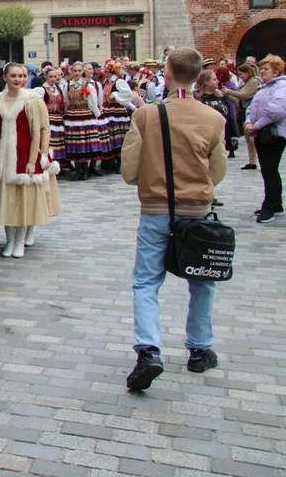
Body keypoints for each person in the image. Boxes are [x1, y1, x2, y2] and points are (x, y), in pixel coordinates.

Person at [121, 46, 227, 390]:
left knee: (146, 281)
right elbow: (218, 171)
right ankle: (199, 349)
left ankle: (149, 350)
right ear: (199, 77)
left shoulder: (148, 115)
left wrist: (152, 180)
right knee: (202, 280)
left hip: (155, 208)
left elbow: (129, 171)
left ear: (166, 73)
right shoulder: (213, 118)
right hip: (197, 210)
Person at [0, 63, 62, 258]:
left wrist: (37, 157)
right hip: (3, 155)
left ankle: (20, 240)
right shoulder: (0, 98)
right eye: (13, 75)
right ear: (5, 77)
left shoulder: (32, 99)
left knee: (23, 200)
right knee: (5, 199)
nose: (18, 79)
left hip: (24, 152)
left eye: (22, 76)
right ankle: (10, 240)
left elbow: (42, 129)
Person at [244, 55, 286, 223]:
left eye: (265, 69)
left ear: (276, 71)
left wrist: (257, 125)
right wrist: (248, 122)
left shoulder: (281, 87)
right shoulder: (264, 88)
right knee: (269, 170)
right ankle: (276, 204)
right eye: (261, 68)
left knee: (269, 169)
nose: (261, 71)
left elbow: (277, 110)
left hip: (274, 134)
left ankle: (269, 206)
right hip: (262, 133)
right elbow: (251, 108)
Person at [196, 69, 237, 186]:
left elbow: (229, 115)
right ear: (206, 82)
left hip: (220, 135)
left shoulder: (221, 96)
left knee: (216, 165)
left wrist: (233, 134)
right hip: (203, 135)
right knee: (203, 165)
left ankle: (212, 191)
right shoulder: (197, 98)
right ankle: (205, 192)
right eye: (214, 79)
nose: (217, 81)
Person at [63, 62, 101, 181]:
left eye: (79, 71)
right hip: (73, 116)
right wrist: (66, 113)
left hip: (85, 116)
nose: (77, 73)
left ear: (82, 72)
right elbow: (66, 101)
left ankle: (84, 171)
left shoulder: (88, 85)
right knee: (75, 144)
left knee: (85, 144)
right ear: (71, 72)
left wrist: (96, 115)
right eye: (75, 71)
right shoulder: (68, 85)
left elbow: (93, 101)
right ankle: (78, 170)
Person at [100, 61, 136, 173]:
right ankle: (111, 162)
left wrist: (115, 95)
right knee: (110, 137)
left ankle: (120, 163)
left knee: (119, 138)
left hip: (117, 113)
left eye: (105, 70)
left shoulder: (118, 81)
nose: (103, 72)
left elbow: (128, 95)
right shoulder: (107, 82)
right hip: (108, 112)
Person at [224, 63, 260, 170]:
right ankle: (252, 161)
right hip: (245, 112)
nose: (241, 77)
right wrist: (226, 95)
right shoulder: (246, 83)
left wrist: (228, 91)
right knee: (249, 139)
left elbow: (244, 95)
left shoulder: (254, 82)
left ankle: (254, 160)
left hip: (253, 113)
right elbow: (239, 101)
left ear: (248, 72)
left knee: (252, 138)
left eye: (242, 74)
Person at [34, 68, 67, 168]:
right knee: (49, 142)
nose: (53, 79)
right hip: (48, 118)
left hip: (58, 118)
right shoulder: (41, 90)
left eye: (55, 76)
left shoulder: (58, 89)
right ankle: (49, 163)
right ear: (46, 77)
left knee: (59, 142)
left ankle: (59, 165)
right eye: (51, 77)